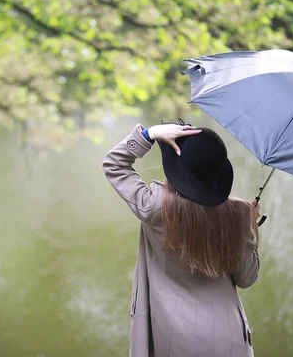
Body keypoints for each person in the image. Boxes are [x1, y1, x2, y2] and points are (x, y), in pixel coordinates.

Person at [103, 122, 261, 357]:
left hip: (171, 337)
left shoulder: (155, 207)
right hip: (228, 342)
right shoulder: (238, 213)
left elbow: (114, 164)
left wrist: (149, 134)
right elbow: (246, 278)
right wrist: (248, 227)